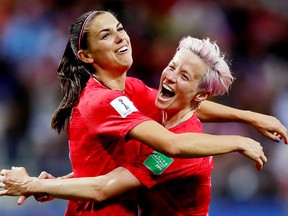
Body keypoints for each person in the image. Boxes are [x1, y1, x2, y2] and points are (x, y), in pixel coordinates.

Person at [0, 10, 287, 216]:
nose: (171, 77)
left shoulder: (180, 144)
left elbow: (116, 179)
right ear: (86, 55)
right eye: (172, 66)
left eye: (120, 28)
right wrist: (246, 126)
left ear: (199, 95)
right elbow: (116, 172)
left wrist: (41, 183)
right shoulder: (119, 98)